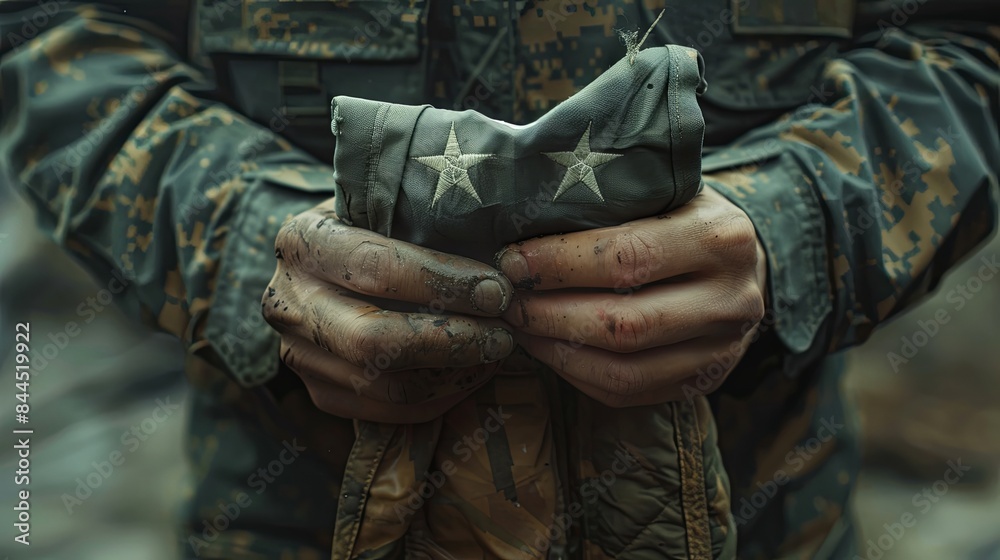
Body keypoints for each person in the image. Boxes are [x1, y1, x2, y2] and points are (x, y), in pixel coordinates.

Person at [1, 0, 996, 558]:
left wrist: (799, 223)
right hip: (294, 524)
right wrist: (245, 238)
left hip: (760, 522)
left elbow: (969, 42)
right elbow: (56, 38)